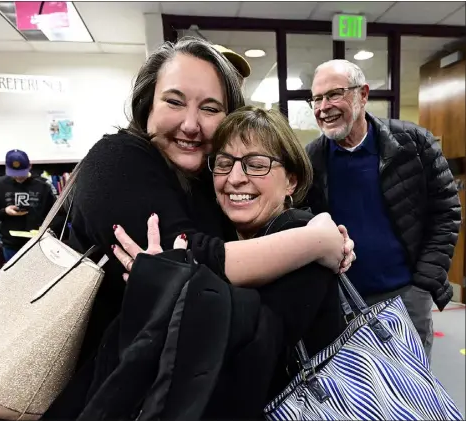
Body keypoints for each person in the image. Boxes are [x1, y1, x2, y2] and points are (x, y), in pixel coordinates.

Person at [42, 38, 354, 419]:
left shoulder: (206, 181)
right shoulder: (118, 159)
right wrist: (315, 241)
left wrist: (321, 234)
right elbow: (200, 258)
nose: (191, 124)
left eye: (210, 108)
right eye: (174, 101)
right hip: (116, 389)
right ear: (148, 104)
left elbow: (204, 274)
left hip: (180, 391)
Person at [109, 106, 345, 415]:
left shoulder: (298, 238)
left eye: (256, 164)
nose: (235, 178)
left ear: (291, 180)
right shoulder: (228, 237)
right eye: (224, 163)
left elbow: (241, 368)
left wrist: (173, 290)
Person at [303, 59, 462, 360]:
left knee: (413, 392)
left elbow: (446, 212)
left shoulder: (414, 144)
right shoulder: (310, 161)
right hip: (342, 301)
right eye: (317, 98)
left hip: (405, 296)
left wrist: (423, 283)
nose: (323, 106)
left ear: (362, 95)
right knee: (355, 394)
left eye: (334, 94)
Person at [0, 149, 57, 262]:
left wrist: (47, 227)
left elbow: (57, 213)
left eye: (21, 173)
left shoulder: (43, 185)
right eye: (14, 174)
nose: (18, 177)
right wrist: (4, 212)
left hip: (39, 243)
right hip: (11, 245)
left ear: (30, 166)